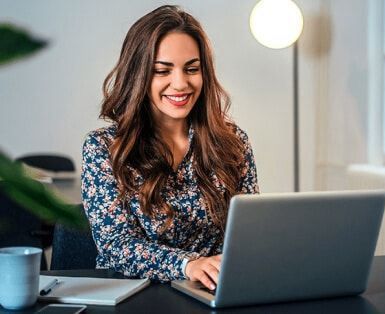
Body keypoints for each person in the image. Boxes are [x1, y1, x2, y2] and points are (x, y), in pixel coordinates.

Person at [81, 5, 259, 290]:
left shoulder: (233, 142)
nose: (180, 84)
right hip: (134, 295)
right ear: (138, 76)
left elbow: (249, 232)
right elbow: (115, 246)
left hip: (214, 292)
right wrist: (188, 265)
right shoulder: (104, 147)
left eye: (192, 69)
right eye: (162, 71)